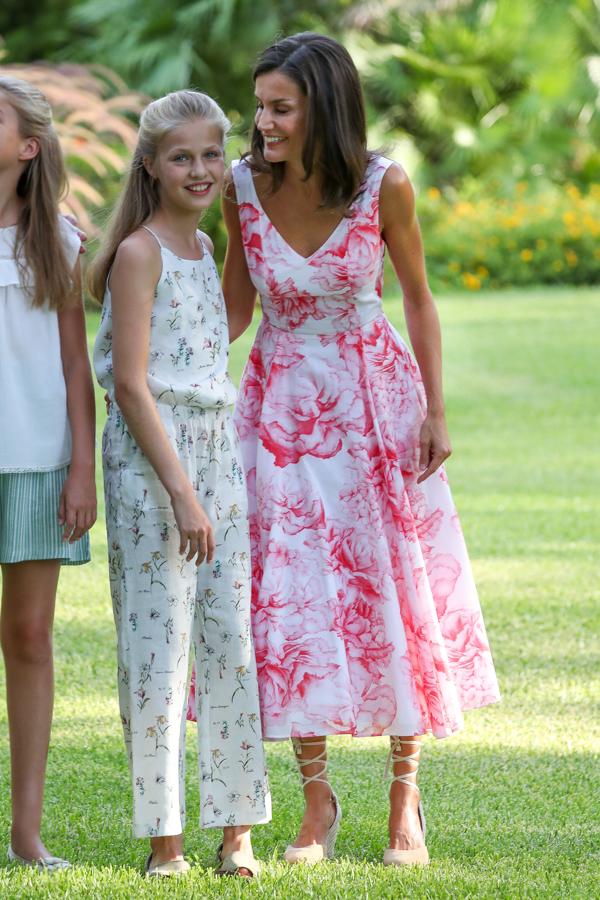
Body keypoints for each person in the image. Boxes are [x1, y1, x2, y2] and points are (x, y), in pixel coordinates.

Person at [219, 32, 501, 867]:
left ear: (323, 109)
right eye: (260, 105)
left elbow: (417, 298)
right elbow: (236, 310)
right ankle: (316, 800)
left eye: (279, 107)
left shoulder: (387, 186)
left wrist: (437, 412)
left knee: (388, 592)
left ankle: (405, 794)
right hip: (277, 411)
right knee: (294, 602)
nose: (262, 122)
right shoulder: (242, 186)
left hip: (375, 405)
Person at [91, 90, 270, 878]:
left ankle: (237, 830)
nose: (198, 170)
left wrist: (243, 225)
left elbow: (222, 330)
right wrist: (182, 493)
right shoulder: (140, 252)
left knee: (230, 640)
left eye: (210, 156)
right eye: (181, 157)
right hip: (151, 457)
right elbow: (131, 386)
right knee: (158, 647)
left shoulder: (202, 248)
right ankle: (165, 840)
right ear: (151, 166)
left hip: (217, 449)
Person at [0, 76, 96, 870]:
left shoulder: (57, 240)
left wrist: (82, 471)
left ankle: (26, 835)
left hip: (36, 463)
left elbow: (76, 366)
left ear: (28, 145)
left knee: (28, 636)